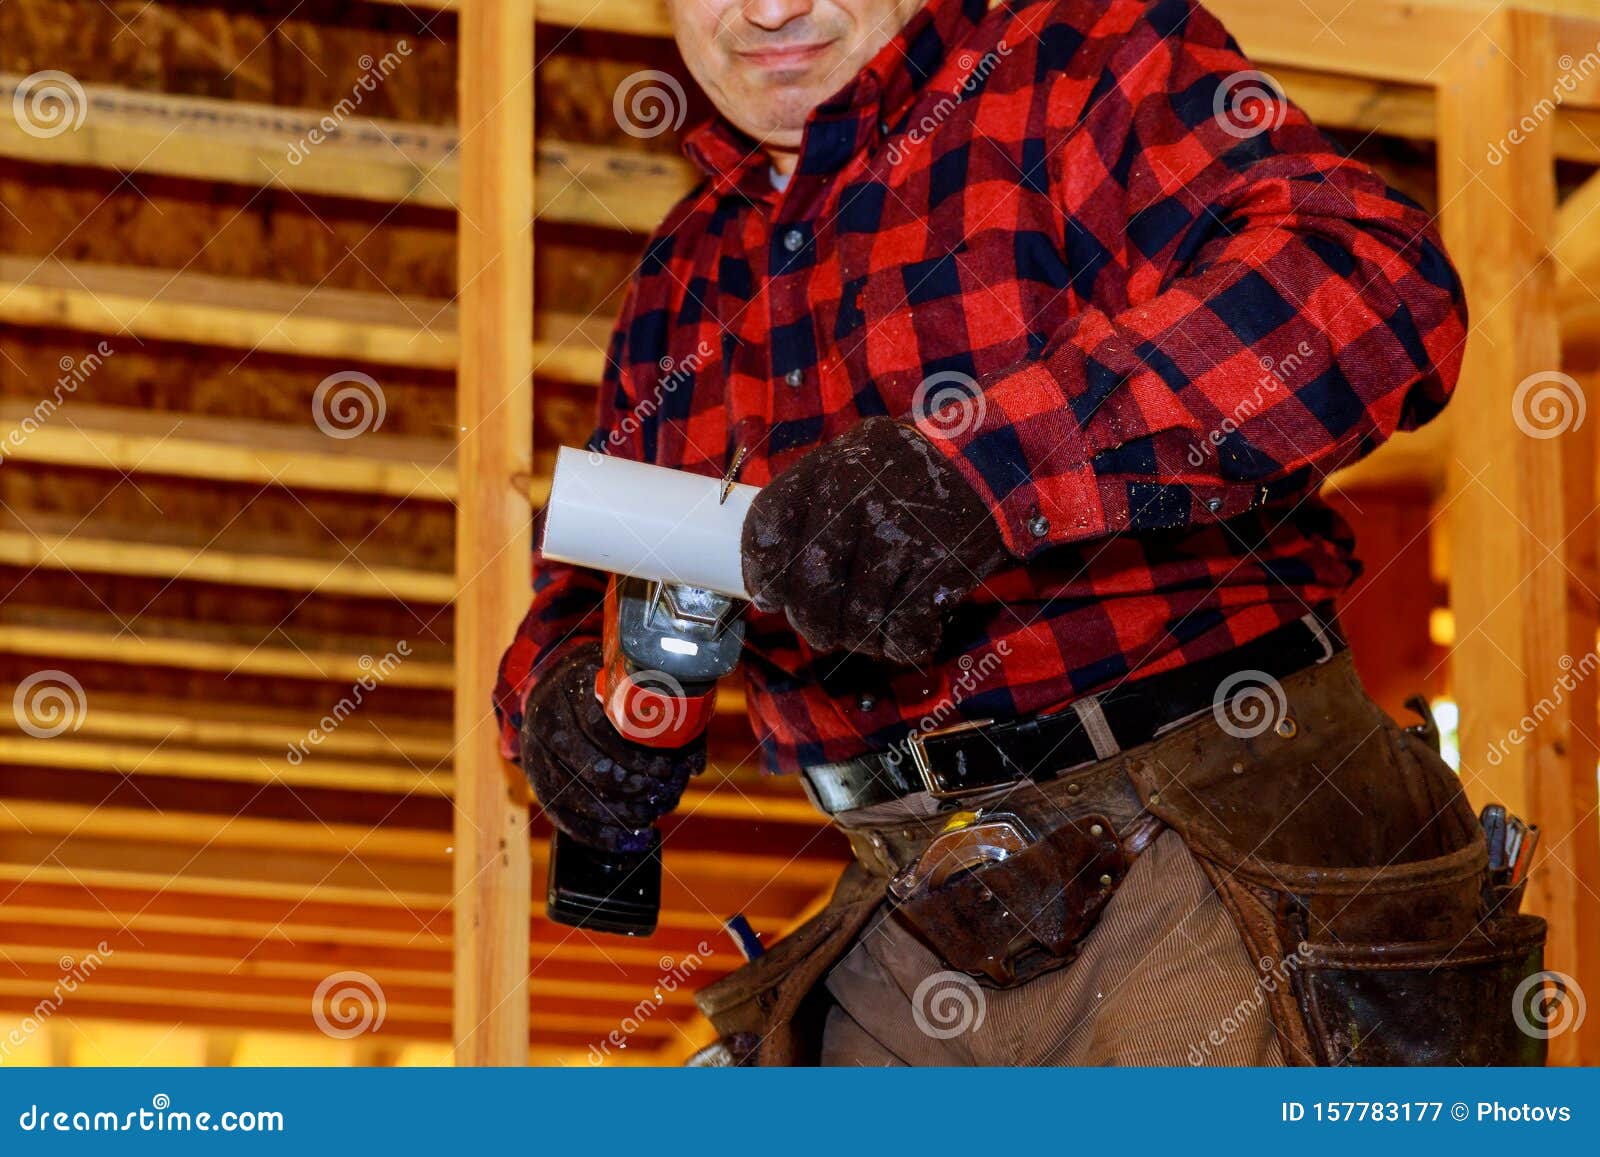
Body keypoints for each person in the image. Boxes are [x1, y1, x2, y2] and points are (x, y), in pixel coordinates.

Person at [496, 0, 1547, 1066]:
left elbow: (1373, 284)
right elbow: (593, 589)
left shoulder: (1077, 64)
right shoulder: (679, 284)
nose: (770, 10)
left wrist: (986, 467)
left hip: (1212, 844)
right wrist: (563, 706)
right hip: (900, 901)